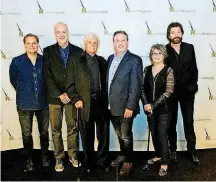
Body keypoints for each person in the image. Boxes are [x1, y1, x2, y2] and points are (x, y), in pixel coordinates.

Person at [67, 32, 110, 174]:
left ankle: (102, 160)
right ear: (84, 45)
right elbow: (70, 85)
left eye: (95, 42)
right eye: (90, 42)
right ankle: (88, 161)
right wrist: (76, 99)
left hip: (101, 103)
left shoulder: (102, 61)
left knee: (103, 134)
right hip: (84, 103)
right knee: (87, 135)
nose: (92, 44)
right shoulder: (75, 59)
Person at [43, 22, 83, 172]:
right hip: (54, 98)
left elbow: (79, 76)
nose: (61, 34)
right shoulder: (47, 51)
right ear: (55, 34)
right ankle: (59, 157)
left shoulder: (78, 51)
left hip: (71, 97)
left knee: (73, 128)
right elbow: (47, 76)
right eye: (58, 32)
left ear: (68, 32)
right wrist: (59, 94)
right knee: (55, 129)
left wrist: (69, 93)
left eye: (64, 31)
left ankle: (73, 155)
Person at [9, 33, 50, 171]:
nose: (32, 45)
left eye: (34, 43)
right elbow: (14, 80)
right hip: (24, 104)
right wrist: (25, 91)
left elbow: (48, 80)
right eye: (28, 43)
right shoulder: (17, 61)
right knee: (26, 134)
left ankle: (44, 157)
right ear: (24, 44)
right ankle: (29, 159)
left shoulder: (44, 60)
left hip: (43, 103)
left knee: (44, 132)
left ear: (38, 44)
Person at [107, 30, 143, 176]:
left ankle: (128, 161)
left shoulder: (135, 60)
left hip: (126, 107)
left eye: (123, 40)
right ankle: (123, 154)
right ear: (113, 43)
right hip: (111, 106)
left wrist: (130, 106)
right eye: (117, 40)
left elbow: (136, 86)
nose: (120, 43)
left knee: (126, 135)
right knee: (119, 134)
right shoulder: (110, 58)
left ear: (127, 42)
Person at [165, 22, 200, 165]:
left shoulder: (189, 48)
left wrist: (192, 86)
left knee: (189, 122)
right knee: (171, 123)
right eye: (172, 32)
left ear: (182, 33)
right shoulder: (164, 50)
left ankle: (192, 151)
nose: (176, 35)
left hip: (188, 93)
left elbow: (194, 69)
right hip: (171, 94)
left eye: (178, 31)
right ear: (169, 35)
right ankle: (172, 150)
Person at [141, 44, 174, 176]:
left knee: (162, 135)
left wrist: (153, 105)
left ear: (164, 55)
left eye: (159, 53)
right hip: (149, 108)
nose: (156, 56)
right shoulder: (147, 69)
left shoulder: (168, 70)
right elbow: (142, 88)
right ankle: (159, 155)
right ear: (151, 56)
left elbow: (169, 91)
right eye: (154, 53)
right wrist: (146, 104)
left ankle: (165, 162)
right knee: (154, 133)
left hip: (164, 109)